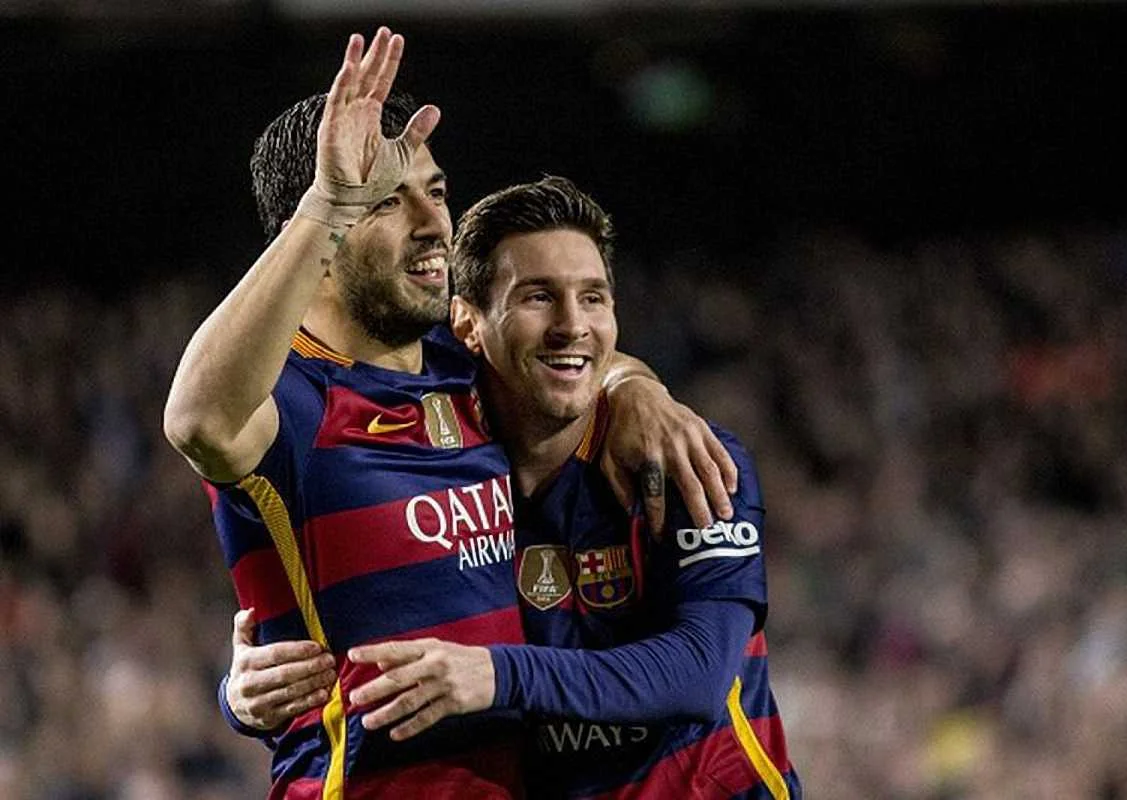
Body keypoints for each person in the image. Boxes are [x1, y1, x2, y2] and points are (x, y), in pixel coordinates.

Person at [163, 28, 737, 799]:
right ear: (316, 234)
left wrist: (635, 387)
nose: (435, 223)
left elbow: (573, 355)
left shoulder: (464, 366)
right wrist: (330, 201)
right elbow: (196, 421)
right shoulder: (294, 401)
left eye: (434, 192)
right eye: (385, 200)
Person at [228, 176, 801, 798]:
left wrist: (498, 675)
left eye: (593, 298)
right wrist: (243, 695)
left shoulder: (687, 460)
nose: (572, 326)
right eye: (538, 297)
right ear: (467, 325)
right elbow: (367, 644)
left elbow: (701, 673)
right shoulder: (434, 481)